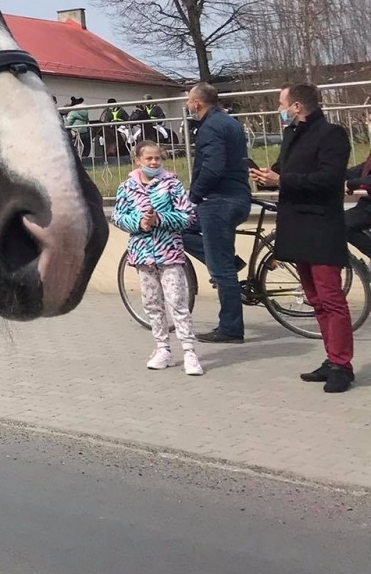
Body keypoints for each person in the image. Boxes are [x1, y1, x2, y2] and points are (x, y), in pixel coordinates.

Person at [251, 84, 355, 393]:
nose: (278, 109)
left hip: (321, 226)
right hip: (297, 226)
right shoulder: (292, 135)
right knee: (314, 299)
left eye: (281, 103)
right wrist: (266, 177)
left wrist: (282, 179)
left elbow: (330, 179)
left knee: (331, 298)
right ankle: (331, 358)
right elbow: (285, 173)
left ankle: (342, 366)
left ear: (297, 106)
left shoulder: (331, 134)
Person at [113, 142, 202, 375]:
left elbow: (188, 216)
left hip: (169, 252)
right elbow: (118, 216)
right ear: (138, 161)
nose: (153, 163)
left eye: (157, 159)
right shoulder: (126, 187)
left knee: (177, 301)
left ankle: (189, 351)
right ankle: (162, 348)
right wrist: (139, 223)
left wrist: (159, 219)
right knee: (152, 302)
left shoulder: (172, 184)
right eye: (148, 159)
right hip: (142, 254)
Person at [181, 82, 252, 343]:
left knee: (222, 271)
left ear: (197, 103)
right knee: (187, 231)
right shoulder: (229, 122)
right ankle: (225, 260)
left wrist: (194, 196)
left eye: (189, 101)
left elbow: (212, 169)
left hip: (218, 202)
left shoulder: (209, 127)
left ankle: (230, 328)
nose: (188, 105)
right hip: (239, 198)